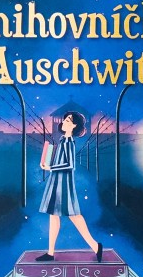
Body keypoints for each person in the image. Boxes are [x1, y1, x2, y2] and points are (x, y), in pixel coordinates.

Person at [36, 111, 103, 262]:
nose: (64, 122)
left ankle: (95, 246)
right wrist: (48, 163)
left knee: (73, 215)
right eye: (65, 119)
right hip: (57, 180)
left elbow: (70, 165)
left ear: (74, 126)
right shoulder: (62, 140)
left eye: (68, 120)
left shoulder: (68, 142)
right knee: (55, 215)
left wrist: (50, 167)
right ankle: (51, 253)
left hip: (63, 182)